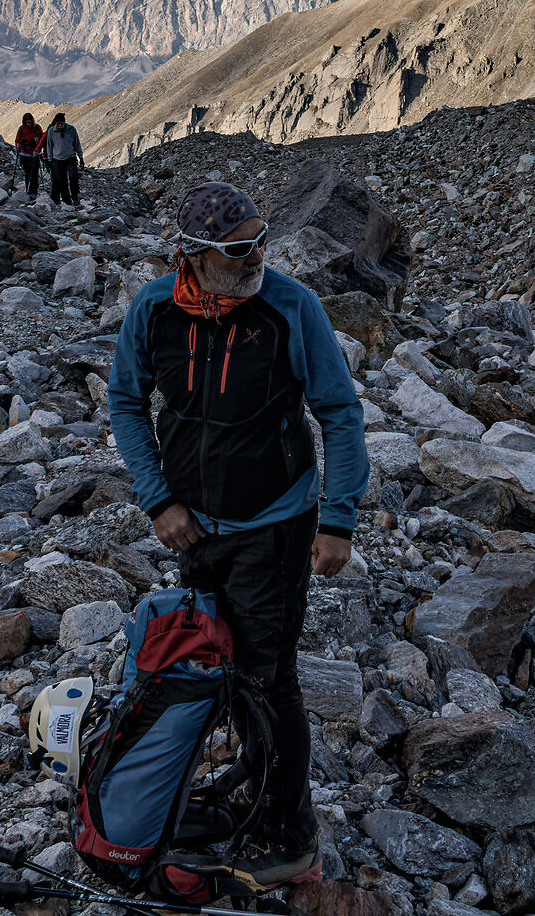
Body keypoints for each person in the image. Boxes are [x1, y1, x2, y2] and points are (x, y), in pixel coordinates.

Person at [107, 183, 366, 887]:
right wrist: (158, 501)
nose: (257, 255)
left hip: (274, 526)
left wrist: (337, 517)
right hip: (192, 528)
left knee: (265, 677)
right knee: (219, 667)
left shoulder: (290, 307)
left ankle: (292, 837)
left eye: (259, 239)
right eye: (237, 247)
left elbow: (340, 412)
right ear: (192, 255)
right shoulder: (154, 310)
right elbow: (126, 402)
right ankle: (254, 787)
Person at [43, 111, 82, 207]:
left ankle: (75, 196)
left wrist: (81, 157)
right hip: (57, 159)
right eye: (57, 124)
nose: (59, 126)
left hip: (70, 157)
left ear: (64, 122)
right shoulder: (51, 131)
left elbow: (76, 143)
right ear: (55, 123)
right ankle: (66, 200)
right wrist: (50, 159)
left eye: (61, 124)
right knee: (62, 180)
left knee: (73, 177)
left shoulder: (71, 129)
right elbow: (49, 145)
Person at [12, 111, 46, 197]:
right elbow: (17, 140)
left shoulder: (37, 128)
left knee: (34, 173)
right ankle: (29, 191)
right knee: (28, 173)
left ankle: (33, 191)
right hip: (25, 154)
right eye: (26, 122)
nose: (28, 124)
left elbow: (42, 139)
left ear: (32, 121)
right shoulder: (22, 129)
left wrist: (38, 142)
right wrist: (17, 145)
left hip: (35, 153)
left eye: (29, 122)